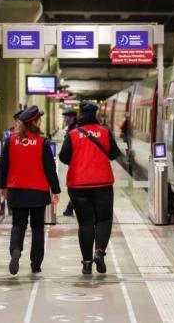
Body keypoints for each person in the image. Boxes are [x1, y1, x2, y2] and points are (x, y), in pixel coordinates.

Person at [59, 101, 121, 275]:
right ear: (96, 115)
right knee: (104, 220)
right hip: (102, 184)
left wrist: (79, 159)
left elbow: (63, 157)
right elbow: (114, 154)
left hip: (78, 185)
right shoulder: (104, 132)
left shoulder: (72, 134)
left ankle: (86, 264)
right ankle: (99, 252)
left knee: (85, 224)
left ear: (81, 116)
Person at [0, 105, 61, 275]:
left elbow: (2, 166)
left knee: (18, 225)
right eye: (39, 119)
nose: (40, 121)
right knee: (37, 227)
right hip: (38, 192)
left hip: (17, 190)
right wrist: (56, 190)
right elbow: (50, 169)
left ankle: (16, 250)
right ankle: (36, 263)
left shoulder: (11, 141)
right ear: (34, 123)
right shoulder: (42, 143)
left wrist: (2, 187)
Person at [61, 108, 78, 217]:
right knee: (75, 187)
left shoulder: (76, 129)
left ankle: (70, 208)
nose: (65, 119)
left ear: (72, 117)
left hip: (77, 163)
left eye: (66, 117)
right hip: (74, 162)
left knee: (76, 187)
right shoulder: (71, 128)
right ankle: (70, 208)